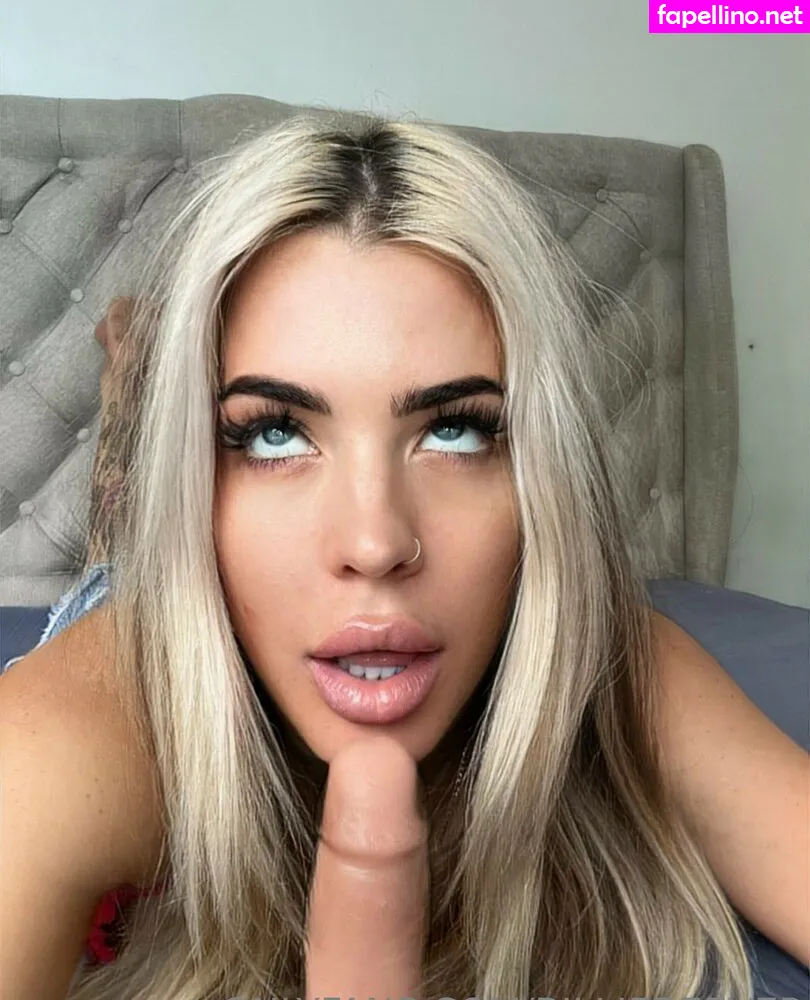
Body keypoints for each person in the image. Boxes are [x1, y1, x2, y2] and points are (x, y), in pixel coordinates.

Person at [1, 112, 807, 1000]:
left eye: (456, 429)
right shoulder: (52, 745)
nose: (375, 545)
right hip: (161, 595)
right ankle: (136, 379)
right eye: (272, 433)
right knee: (126, 525)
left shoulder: (622, 668)